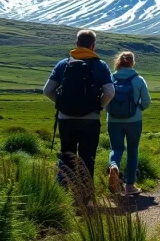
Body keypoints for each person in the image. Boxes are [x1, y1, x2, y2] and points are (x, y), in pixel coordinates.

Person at [43, 30, 114, 189]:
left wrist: (61, 103)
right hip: (90, 119)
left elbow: (47, 90)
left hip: (65, 118)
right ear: (93, 45)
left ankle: (64, 192)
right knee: (87, 157)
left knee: (67, 155)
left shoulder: (63, 64)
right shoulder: (100, 65)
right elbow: (110, 92)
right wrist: (98, 107)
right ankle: (85, 194)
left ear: (77, 44)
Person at [107, 51, 151, 196]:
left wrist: (110, 110)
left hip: (113, 120)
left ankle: (114, 166)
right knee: (133, 151)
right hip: (134, 120)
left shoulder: (111, 77)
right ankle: (129, 186)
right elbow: (146, 102)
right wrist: (139, 109)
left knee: (116, 148)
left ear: (119, 62)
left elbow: (105, 97)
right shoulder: (138, 79)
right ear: (132, 62)